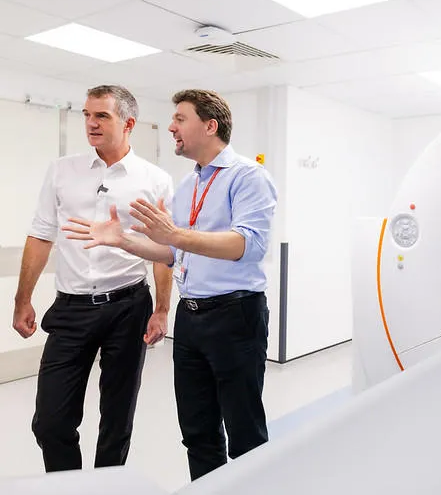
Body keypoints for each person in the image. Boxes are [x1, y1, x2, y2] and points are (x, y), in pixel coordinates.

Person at [62, 89, 278, 481]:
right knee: (197, 432)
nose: (171, 127)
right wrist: (124, 241)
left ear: (210, 126)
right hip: (192, 319)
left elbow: (248, 244)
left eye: (180, 118)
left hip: (236, 315)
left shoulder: (248, 176)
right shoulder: (189, 184)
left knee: (244, 434)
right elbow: (173, 253)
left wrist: (176, 236)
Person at [12, 84, 174, 473]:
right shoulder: (62, 170)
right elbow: (40, 234)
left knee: (117, 418)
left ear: (128, 123)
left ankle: (107, 485)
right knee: (51, 422)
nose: (91, 123)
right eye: (87, 114)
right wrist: (22, 298)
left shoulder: (154, 179)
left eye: (102, 115)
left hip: (128, 307)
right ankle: (68, 485)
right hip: (70, 308)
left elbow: (165, 251)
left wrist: (163, 310)